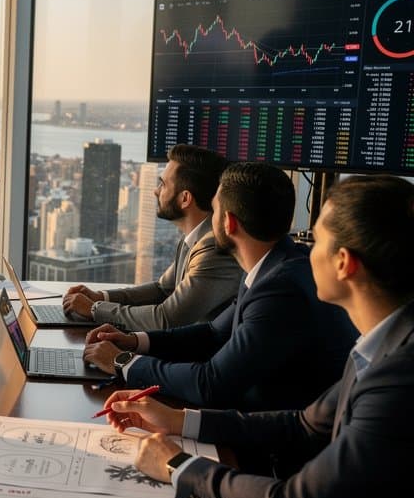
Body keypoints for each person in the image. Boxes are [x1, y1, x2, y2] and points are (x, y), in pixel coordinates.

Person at [102, 174, 414, 498]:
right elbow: (304, 424)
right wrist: (180, 421)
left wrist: (178, 467)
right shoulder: (382, 345)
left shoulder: (399, 378)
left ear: (344, 262)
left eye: (317, 237)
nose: (304, 247)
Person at [83, 162, 356, 410]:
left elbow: (211, 384)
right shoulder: (273, 264)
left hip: (272, 438)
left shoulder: (280, 289)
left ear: (228, 222)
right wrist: (136, 341)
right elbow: (214, 333)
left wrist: (124, 362)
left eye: (214, 210)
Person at [63, 144, 241, 329]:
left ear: (185, 199)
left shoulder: (213, 248)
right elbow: (162, 290)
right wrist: (101, 297)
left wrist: (95, 309)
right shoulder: (195, 237)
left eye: (163, 184)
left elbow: (166, 318)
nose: (156, 191)